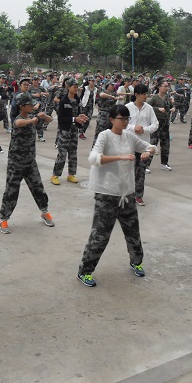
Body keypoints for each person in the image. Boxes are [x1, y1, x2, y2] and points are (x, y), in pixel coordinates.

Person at [77, 104, 156, 287]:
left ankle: (136, 262)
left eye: (127, 118)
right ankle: (85, 271)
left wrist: (148, 151)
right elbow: (94, 158)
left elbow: (151, 146)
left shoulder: (129, 136)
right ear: (112, 120)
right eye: (122, 119)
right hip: (107, 194)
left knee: (133, 231)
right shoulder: (104, 136)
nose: (125, 122)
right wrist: (120, 157)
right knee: (100, 235)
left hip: (126, 193)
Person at [0, 93, 55, 234]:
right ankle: (4, 219)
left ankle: (44, 212)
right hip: (16, 162)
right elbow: (18, 123)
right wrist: (32, 120)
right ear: (22, 106)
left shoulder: (32, 118)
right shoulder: (19, 119)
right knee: (11, 191)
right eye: (29, 104)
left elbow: (51, 120)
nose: (32, 106)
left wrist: (43, 116)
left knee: (38, 188)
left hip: (30, 162)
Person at [125, 83, 158, 205]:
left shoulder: (149, 108)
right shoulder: (127, 107)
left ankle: (138, 195)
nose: (146, 96)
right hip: (128, 144)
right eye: (143, 94)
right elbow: (122, 123)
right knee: (127, 171)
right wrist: (133, 127)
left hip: (143, 145)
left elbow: (155, 124)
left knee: (141, 171)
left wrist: (144, 129)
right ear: (136, 94)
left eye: (146, 94)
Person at [51, 78, 88, 185]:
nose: (76, 89)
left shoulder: (77, 100)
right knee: (62, 154)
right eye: (74, 87)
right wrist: (74, 119)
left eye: (77, 87)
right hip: (64, 130)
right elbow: (61, 118)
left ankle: (71, 174)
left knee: (73, 153)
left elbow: (79, 113)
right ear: (68, 87)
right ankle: (55, 175)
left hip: (74, 130)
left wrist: (81, 117)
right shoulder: (63, 101)